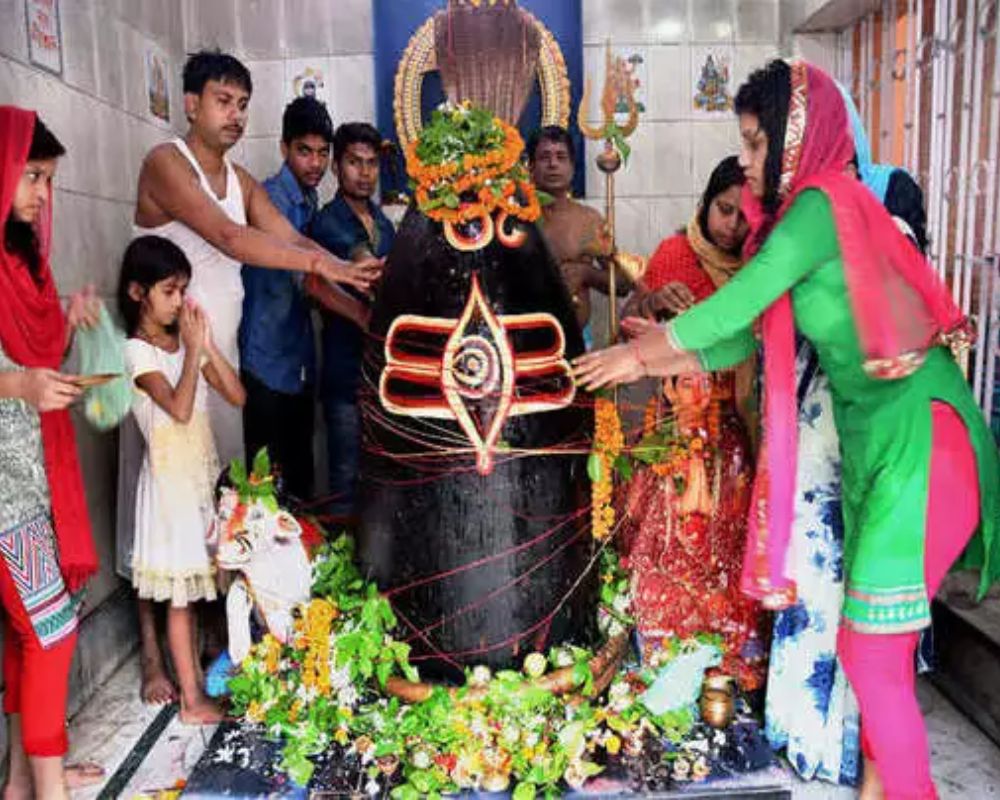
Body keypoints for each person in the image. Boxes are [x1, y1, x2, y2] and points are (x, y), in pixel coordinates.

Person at [573, 60, 999, 799]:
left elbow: (730, 315)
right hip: (885, 449)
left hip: (919, 445)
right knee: (879, 658)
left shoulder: (821, 205)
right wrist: (651, 350)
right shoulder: (806, 217)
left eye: (755, 143)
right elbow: (739, 337)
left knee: (872, 656)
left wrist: (632, 354)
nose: (744, 162)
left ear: (795, 138)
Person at [765, 85, 931, 788]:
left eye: (762, 144)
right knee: (811, 563)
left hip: (870, 404)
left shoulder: (884, 192)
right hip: (811, 408)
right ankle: (807, 734)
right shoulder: (792, 212)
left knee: (867, 592)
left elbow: (907, 288)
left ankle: (864, 756)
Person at [133, 51, 380, 467]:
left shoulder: (241, 181)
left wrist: (349, 271)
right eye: (223, 101)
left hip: (222, 355)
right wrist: (324, 266)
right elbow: (230, 236)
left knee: (226, 488)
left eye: (243, 105)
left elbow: (292, 240)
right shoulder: (165, 162)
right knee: (174, 493)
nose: (236, 115)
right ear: (192, 104)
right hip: (170, 356)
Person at [618, 156, 765, 689]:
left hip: (729, 428)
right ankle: (660, 648)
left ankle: (725, 651)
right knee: (666, 542)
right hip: (671, 428)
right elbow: (627, 324)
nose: (732, 225)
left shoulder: (758, 269)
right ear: (706, 203)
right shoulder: (673, 253)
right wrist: (652, 299)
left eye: (745, 216)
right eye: (725, 210)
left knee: (723, 544)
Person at [0, 106, 104, 799]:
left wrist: (65, 324)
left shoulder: (22, 264)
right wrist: (19, 382)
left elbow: (34, 365)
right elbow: (19, 376)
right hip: (5, 494)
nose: (41, 194)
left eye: (48, 179)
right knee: (54, 631)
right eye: (32, 175)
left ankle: (20, 782)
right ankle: (48, 791)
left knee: (25, 636)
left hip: (30, 478)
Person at [119, 235, 246, 724]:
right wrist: (193, 354)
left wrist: (207, 346)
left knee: (204, 590)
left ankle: (202, 683)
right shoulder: (136, 353)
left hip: (199, 481)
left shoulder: (187, 345)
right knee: (179, 599)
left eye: (183, 291)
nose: (179, 302)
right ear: (138, 293)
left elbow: (237, 396)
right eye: (169, 291)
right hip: (169, 491)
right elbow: (176, 407)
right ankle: (192, 701)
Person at [240, 96, 336, 500]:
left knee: (297, 479)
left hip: (292, 361)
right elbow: (308, 279)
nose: (315, 163)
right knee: (270, 487)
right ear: (284, 148)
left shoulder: (307, 200)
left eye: (323, 153)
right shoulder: (273, 199)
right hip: (266, 362)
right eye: (304, 151)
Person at [310, 122, 396, 519]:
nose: (364, 173)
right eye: (354, 162)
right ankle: (345, 574)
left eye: (371, 163)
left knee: (384, 474)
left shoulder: (385, 224)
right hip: (345, 372)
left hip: (384, 372)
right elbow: (365, 266)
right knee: (345, 478)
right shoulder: (328, 222)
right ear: (336, 168)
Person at [528, 126, 617, 345]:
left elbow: (622, 284)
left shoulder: (589, 221)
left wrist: (587, 273)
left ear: (573, 167)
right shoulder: (514, 218)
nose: (553, 164)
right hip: (524, 340)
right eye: (544, 157)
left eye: (561, 157)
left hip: (577, 341)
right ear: (530, 167)